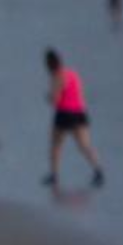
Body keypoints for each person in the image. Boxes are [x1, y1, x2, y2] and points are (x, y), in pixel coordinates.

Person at [43, 49, 104, 188]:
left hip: (64, 113)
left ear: (49, 65)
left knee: (56, 146)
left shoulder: (57, 77)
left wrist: (48, 97)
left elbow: (55, 99)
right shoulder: (72, 74)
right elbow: (80, 94)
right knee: (85, 145)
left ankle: (54, 175)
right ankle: (98, 170)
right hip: (79, 112)